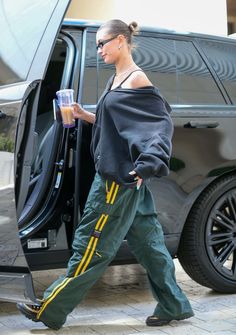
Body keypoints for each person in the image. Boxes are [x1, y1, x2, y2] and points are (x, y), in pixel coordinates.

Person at [17, 19, 194, 330]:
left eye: (102, 43)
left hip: (117, 181)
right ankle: (174, 304)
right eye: (97, 44)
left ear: (121, 40)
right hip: (126, 180)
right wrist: (87, 115)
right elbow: (121, 124)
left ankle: (51, 309)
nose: (98, 49)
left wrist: (145, 165)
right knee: (150, 245)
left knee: (91, 245)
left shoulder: (137, 79)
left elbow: (160, 125)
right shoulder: (119, 78)